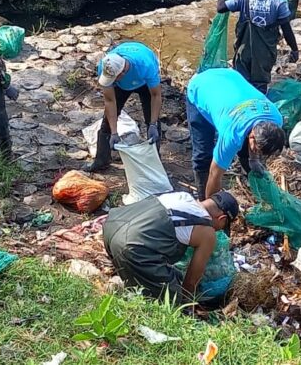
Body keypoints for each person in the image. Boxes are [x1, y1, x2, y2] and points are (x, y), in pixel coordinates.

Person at [103, 190, 239, 302]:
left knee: (167, 277)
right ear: (222, 219)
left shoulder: (182, 196)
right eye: (222, 227)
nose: (218, 230)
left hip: (111, 227)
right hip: (132, 248)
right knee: (170, 301)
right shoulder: (207, 231)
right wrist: (185, 306)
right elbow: (191, 282)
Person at [186, 68, 285, 200]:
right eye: (258, 151)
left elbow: (255, 142)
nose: (260, 155)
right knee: (203, 155)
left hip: (229, 77)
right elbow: (214, 173)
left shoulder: (276, 119)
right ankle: (203, 201)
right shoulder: (232, 135)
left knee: (245, 149)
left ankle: (251, 182)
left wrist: (254, 160)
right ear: (252, 136)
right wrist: (212, 207)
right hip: (201, 87)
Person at [217, 0, 300, 94]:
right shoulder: (278, 4)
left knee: (241, 83)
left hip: (243, 51)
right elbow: (287, 30)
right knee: (260, 86)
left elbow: (220, 8)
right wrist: (294, 49)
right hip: (264, 53)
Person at [84, 41, 162, 172]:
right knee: (107, 123)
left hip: (144, 81)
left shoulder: (145, 65)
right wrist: (114, 132)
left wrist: (153, 124)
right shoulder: (106, 67)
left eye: (113, 79)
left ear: (122, 73)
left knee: (152, 121)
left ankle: (154, 163)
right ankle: (101, 160)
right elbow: (110, 101)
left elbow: (156, 95)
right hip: (122, 85)